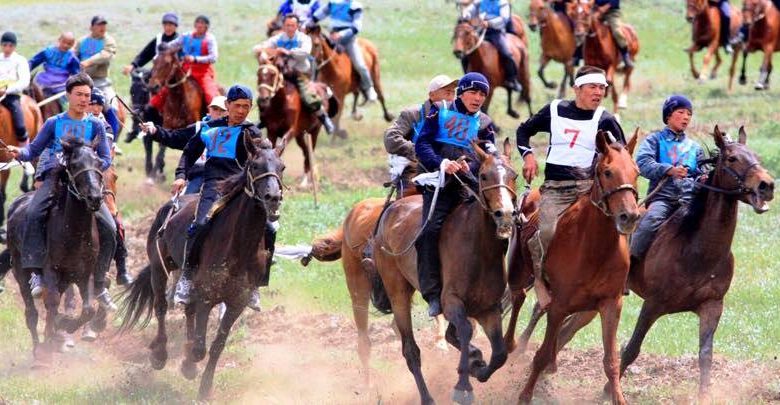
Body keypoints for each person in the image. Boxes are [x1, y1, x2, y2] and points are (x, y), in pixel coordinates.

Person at [515, 65, 625, 309]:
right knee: (545, 231)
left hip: (589, 189)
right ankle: (540, 281)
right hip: (555, 188)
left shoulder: (606, 119)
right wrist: (528, 156)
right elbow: (523, 131)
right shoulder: (554, 109)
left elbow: (622, 154)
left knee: (623, 221)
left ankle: (621, 275)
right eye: (593, 87)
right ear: (577, 89)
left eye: (602, 88)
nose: (598, 92)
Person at [6, 73, 117, 309]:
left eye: (87, 95)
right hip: (55, 177)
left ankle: (99, 281)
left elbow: (106, 158)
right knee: (34, 213)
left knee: (110, 226)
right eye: (79, 95)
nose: (84, 99)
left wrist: (89, 169)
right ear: (68, 96)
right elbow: (33, 149)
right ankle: (36, 270)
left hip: (85, 182)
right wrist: (20, 152)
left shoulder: (96, 124)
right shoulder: (54, 122)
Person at [167, 85, 268, 311]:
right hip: (214, 184)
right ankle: (187, 277)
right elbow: (189, 153)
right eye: (237, 106)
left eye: (246, 107)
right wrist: (181, 175)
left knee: (269, 228)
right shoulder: (209, 128)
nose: (241, 111)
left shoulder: (252, 132)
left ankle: (255, 285)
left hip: (243, 187)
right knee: (200, 223)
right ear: (228, 106)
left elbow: (261, 159)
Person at [414, 72, 498, 317]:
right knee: (429, 231)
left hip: (469, 186)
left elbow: (489, 156)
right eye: (473, 92)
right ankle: (432, 294)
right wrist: (442, 163)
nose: (478, 98)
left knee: (500, 227)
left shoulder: (484, 123)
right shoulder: (439, 110)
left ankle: (496, 288)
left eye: (483, 94)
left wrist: (469, 166)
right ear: (461, 92)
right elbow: (422, 144)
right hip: (439, 185)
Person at [631, 95, 703, 261]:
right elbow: (641, 163)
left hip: (690, 201)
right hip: (663, 199)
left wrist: (703, 178)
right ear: (668, 115)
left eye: (689, 114)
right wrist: (669, 170)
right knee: (651, 220)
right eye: (681, 112)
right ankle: (629, 262)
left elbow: (701, 172)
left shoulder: (695, 147)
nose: (686, 117)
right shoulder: (654, 140)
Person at [255, 13, 335, 134]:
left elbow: (305, 52)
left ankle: (323, 117)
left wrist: (287, 52)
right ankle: (263, 120)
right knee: (264, 94)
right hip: (280, 74)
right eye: (287, 25)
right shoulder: (279, 38)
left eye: (292, 25)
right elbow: (258, 48)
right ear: (284, 26)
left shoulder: (304, 38)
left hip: (298, 74)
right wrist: (267, 52)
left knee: (308, 97)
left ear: (297, 26)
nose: (289, 28)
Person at [87, 88, 133, 285]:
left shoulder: (104, 126)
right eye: (92, 104)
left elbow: (106, 153)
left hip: (101, 167)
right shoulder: (77, 121)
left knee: (115, 220)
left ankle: (121, 267)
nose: (95, 108)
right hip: (78, 167)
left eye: (99, 104)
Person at [140, 95, 228, 194]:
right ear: (209, 110)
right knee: (182, 202)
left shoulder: (236, 131)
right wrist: (155, 131)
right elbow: (174, 137)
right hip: (198, 177)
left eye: (222, 110)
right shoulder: (197, 128)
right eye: (215, 109)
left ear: (229, 112)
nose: (218, 113)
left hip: (226, 177)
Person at [384, 74, 458, 190]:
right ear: (432, 95)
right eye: (447, 93)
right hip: (416, 168)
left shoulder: (456, 119)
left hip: (447, 168)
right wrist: (419, 151)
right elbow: (391, 138)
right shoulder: (413, 114)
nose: (451, 98)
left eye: (453, 93)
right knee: (407, 201)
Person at [310, 0, 378, 102]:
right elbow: (318, 15)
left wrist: (341, 34)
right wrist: (307, 23)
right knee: (317, 59)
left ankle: (368, 87)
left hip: (348, 40)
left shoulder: (355, 6)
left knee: (360, 65)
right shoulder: (332, 3)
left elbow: (356, 27)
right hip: (332, 38)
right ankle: (312, 85)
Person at [150, 14, 220, 112]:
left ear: (206, 27)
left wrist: (195, 59)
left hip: (203, 73)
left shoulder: (209, 39)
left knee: (210, 95)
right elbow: (174, 44)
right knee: (163, 91)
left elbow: (213, 57)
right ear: (195, 25)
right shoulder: (186, 36)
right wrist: (165, 46)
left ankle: (214, 117)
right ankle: (153, 112)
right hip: (184, 70)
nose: (199, 26)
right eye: (198, 24)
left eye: (202, 24)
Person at [461, 0, 524, 91]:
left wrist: (490, 23)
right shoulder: (480, 1)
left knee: (506, 54)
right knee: (466, 54)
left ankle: (511, 79)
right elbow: (470, 10)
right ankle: (467, 78)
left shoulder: (502, 2)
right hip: (480, 31)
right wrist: (465, 15)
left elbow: (504, 18)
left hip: (496, 33)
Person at [74, 16, 119, 125]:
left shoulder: (109, 41)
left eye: (104, 25)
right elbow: (73, 55)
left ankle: (112, 138)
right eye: (99, 25)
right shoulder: (81, 41)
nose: (102, 27)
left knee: (111, 105)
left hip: (100, 82)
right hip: (81, 81)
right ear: (91, 27)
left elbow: (106, 55)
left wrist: (88, 62)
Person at [28, 32, 81, 99]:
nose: (65, 45)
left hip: (61, 85)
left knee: (65, 103)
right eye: (63, 42)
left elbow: (76, 75)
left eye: (69, 44)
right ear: (59, 40)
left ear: (73, 44)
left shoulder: (72, 58)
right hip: (43, 80)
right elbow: (33, 62)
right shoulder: (47, 51)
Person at [0, 31, 31, 144]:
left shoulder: (20, 60)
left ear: (14, 46)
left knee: (19, 124)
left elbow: (24, 81)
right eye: (4, 45)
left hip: (11, 95)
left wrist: (6, 90)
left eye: (10, 45)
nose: (7, 48)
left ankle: (24, 149)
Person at [593, 0, 633, 68]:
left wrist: (604, 8)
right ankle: (577, 54)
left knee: (617, 31)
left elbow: (614, 1)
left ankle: (625, 54)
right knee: (584, 27)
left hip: (612, 12)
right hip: (597, 11)